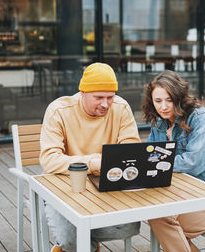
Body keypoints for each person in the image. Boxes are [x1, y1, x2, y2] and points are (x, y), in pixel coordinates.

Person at [39, 62, 141, 252]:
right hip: (65, 188)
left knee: (130, 227)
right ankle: (83, 245)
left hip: (106, 185)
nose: (105, 104)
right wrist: (94, 163)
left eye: (110, 97)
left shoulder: (121, 108)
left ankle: (82, 244)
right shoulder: (58, 110)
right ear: (83, 92)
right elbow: (49, 159)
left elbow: (131, 150)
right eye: (98, 97)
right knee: (71, 240)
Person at [142, 70, 205, 252]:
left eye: (169, 100)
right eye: (158, 101)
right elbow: (149, 154)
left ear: (179, 97)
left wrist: (158, 162)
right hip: (189, 196)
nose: (163, 106)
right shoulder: (159, 122)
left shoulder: (199, 116)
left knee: (162, 220)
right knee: (158, 218)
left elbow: (194, 162)